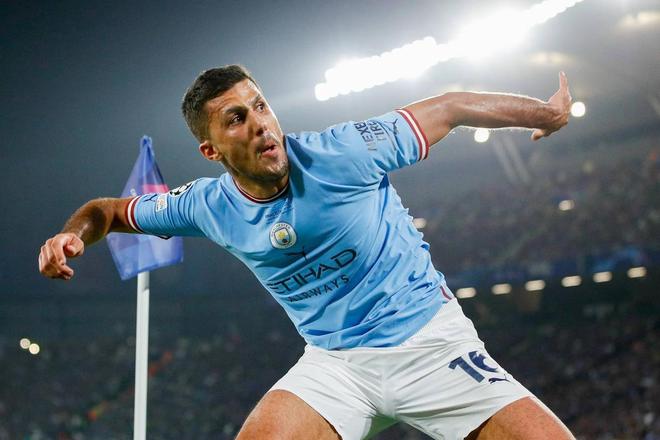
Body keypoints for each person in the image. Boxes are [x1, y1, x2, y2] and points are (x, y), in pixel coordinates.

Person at [39, 65, 575, 440]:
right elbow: (107, 211)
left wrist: (542, 114)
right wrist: (72, 235)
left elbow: (451, 107)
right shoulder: (206, 205)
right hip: (336, 366)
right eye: (236, 119)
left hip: (430, 345)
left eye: (260, 106)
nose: (260, 125)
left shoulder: (344, 152)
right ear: (210, 150)